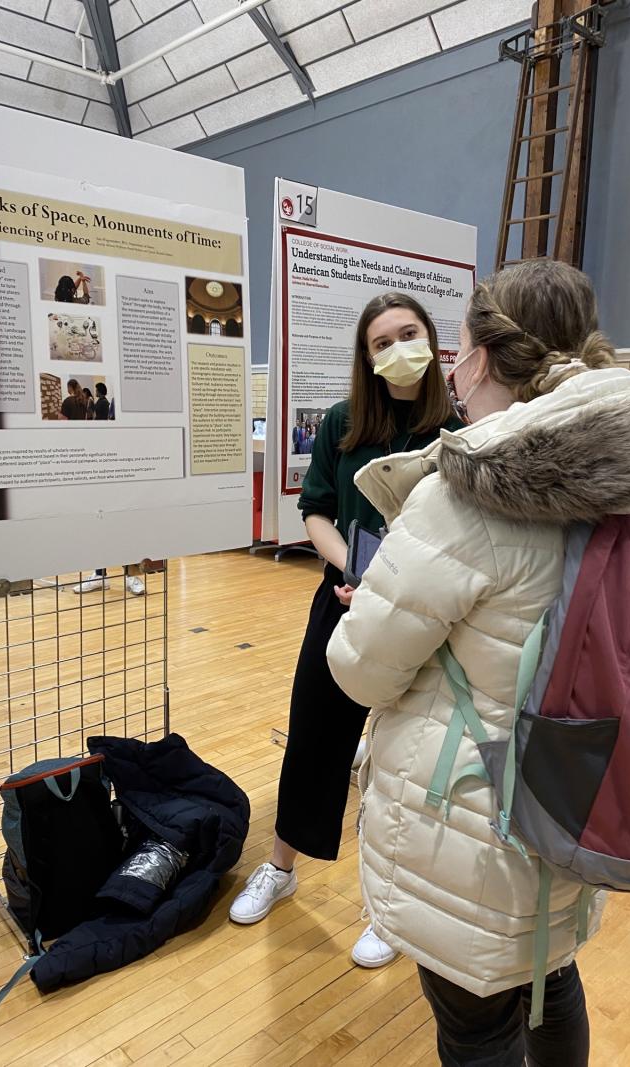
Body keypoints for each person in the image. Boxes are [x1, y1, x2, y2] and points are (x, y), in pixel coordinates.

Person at [327, 259, 625, 1064]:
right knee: (545, 969)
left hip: (471, 807)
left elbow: (361, 668)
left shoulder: (467, 493)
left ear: (484, 359)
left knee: (475, 1019)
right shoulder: (619, 474)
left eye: (454, 347)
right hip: (573, 782)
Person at [229, 293, 461, 969]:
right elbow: (317, 512)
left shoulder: (457, 429)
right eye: (380, 341)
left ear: (432, 339)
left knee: (404, 756)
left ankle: (392, 904)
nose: (396, 350)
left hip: (427, 618)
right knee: (315, 737)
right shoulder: (340, 423)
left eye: (408, 333)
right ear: (366, 356)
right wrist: (352, 568)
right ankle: (281, 864)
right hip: (346, 600)